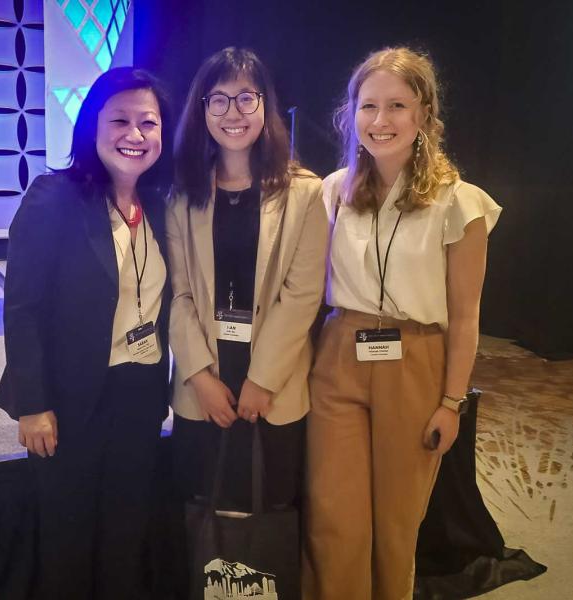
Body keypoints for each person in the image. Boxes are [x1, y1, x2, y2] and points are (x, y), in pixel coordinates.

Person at [303, 47, 502, 600]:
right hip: (340, 354)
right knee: (333, 513)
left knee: (395, 523)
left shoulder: (460, 204)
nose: (381, 121)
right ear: (352, 114)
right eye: (368, 106)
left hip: (416, 360)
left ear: (423, 115)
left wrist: (452, 401)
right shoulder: (332, 190)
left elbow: (465, 317)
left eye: (397, 105)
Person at [0, 67, 173, 600]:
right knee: (67, 542)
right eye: (119, 120)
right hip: (67, 402)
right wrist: (33, 404)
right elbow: (22, 308)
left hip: (139, 397)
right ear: (92, 127)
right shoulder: (55, 197)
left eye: (148, 122)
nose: (134, 135)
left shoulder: (161, 206)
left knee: (125, 533)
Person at [167, 46, 327, 525]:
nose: (232, 113)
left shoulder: (304, 193)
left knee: (270, 507)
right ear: (202, 111)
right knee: (201, 506)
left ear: (265, 106)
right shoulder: (182, 194)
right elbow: (177, 295)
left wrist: (261, 380)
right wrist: (199, 377)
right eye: (218, 100)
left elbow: (301, 296)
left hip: (274, 384)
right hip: (205, 381)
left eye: (245, 98)